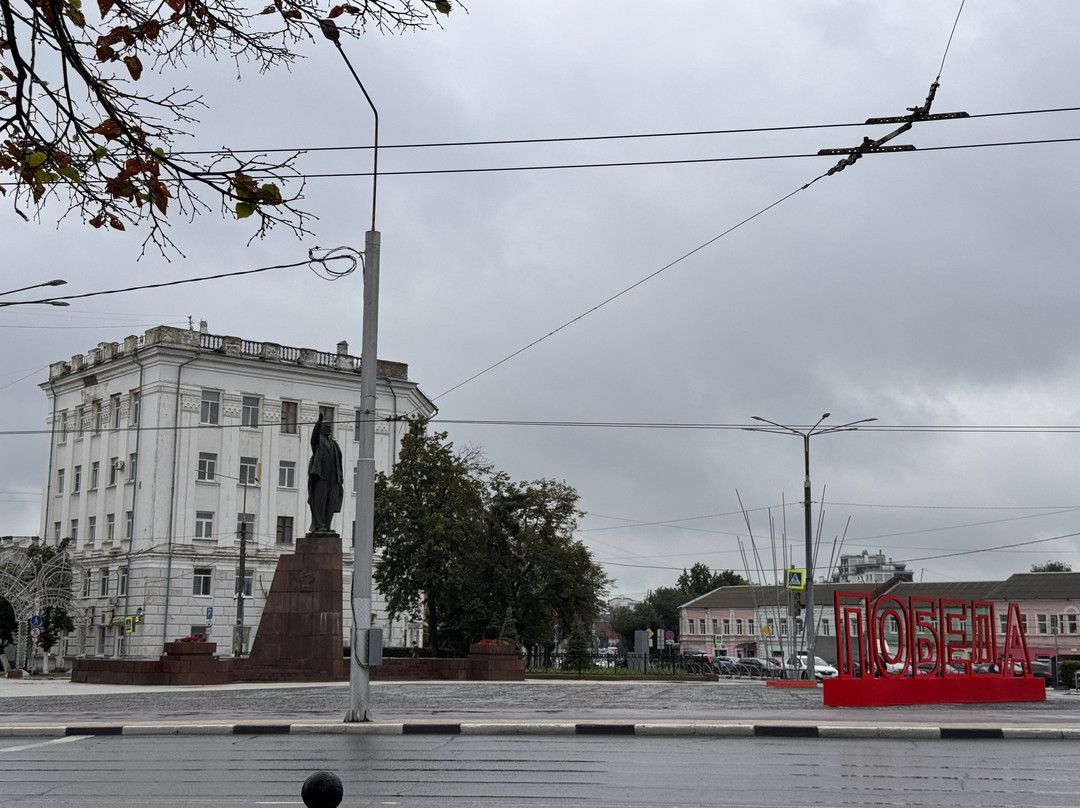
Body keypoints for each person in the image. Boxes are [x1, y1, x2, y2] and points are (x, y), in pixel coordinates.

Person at [307, 413, 344, 534]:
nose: (329, 428)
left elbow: (339, 461)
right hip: (321, 476)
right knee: (320, 502)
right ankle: (319, 525)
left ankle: (327, 525)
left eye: (330, 427)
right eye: (326, 427)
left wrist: (340, 476)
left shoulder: (334, 444)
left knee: (331, 502)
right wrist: (318, 423)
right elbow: (313, 437)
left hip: (333, 479)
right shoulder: (318, 442)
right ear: (321, 429)